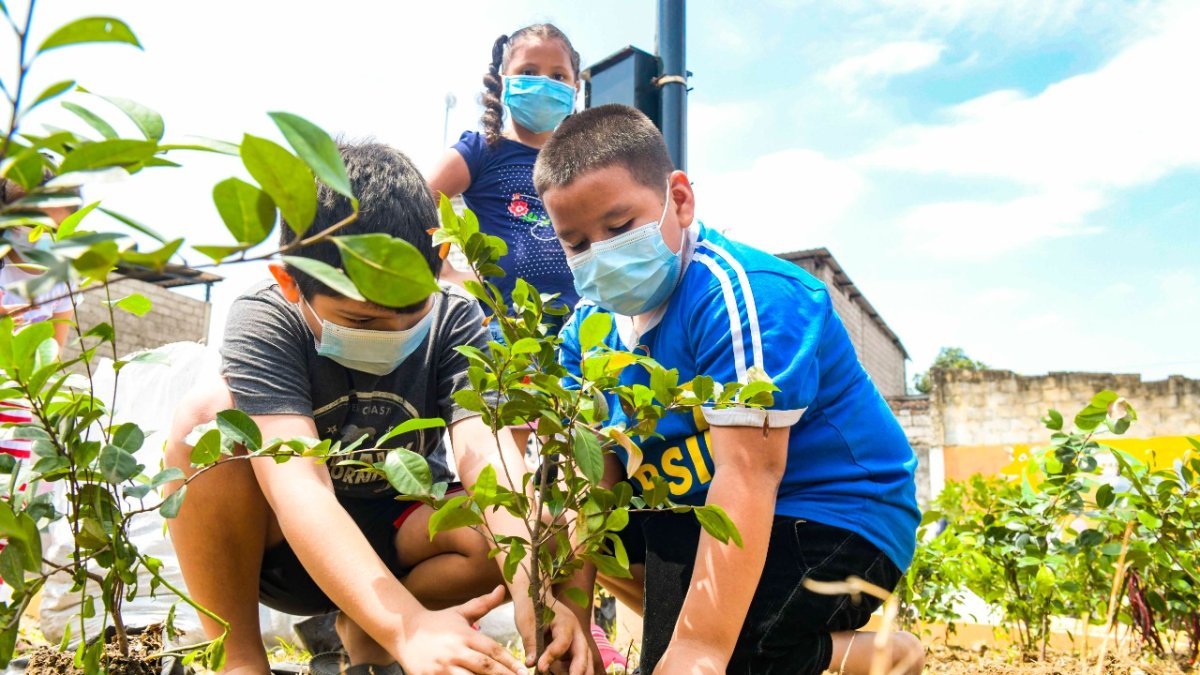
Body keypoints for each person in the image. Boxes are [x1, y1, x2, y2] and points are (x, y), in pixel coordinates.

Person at [164, 142, 592, 675]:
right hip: (283, 547)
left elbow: (486, 451)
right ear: (290, 280)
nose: (391, 335)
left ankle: (367, 639)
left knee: (538, 524)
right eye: (361, 322)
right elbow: (299, 486)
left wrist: (531, 576)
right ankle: (242, 661)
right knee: (207, 422)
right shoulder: (265, 319)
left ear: (439, 263)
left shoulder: (456, 318)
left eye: (410, 315)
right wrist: (410, 627)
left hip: (396, 528)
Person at [535, 105, 926, 675]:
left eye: (620, 228)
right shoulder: (584, 333)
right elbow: (592, 484)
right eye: (577, 244)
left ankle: (888, 654)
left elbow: (749, 475)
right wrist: (571, 610)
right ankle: (743, 634)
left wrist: (701, 647)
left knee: (722, 660)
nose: (603, 254)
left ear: (681, 199)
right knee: (583, 526)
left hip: (832, 514)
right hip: (696, 513)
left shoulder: (744, 296)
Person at [426, 22, 582, 338]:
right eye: (529, 70)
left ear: (575, 87)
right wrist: (444, 271)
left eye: (557, 76)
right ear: (503, 82)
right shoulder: (482, 150)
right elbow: (416, 200)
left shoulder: (583, 162)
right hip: (505, 328)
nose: (543, 83)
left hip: (579, 329)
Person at [0, 176, 78, 465]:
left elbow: (54, 350)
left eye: (55, 230)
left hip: (14, 402)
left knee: (9, 487)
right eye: (35, 226)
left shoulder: (63, 280)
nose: (45, 236)